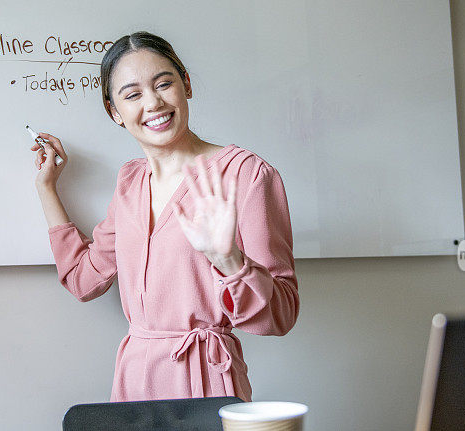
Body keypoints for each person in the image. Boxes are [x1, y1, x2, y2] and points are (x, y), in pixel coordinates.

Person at [29, 31, 299, 402]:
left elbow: (280, 317)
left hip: (208, 382)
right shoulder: (131, 181)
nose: (153, 103)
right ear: (115, 112)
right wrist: (47, 188)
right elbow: (83, 278)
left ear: (186, 85)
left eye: (164, 84)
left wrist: (229, 261)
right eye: (133, 94)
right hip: (134, 382)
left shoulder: (247, 174)